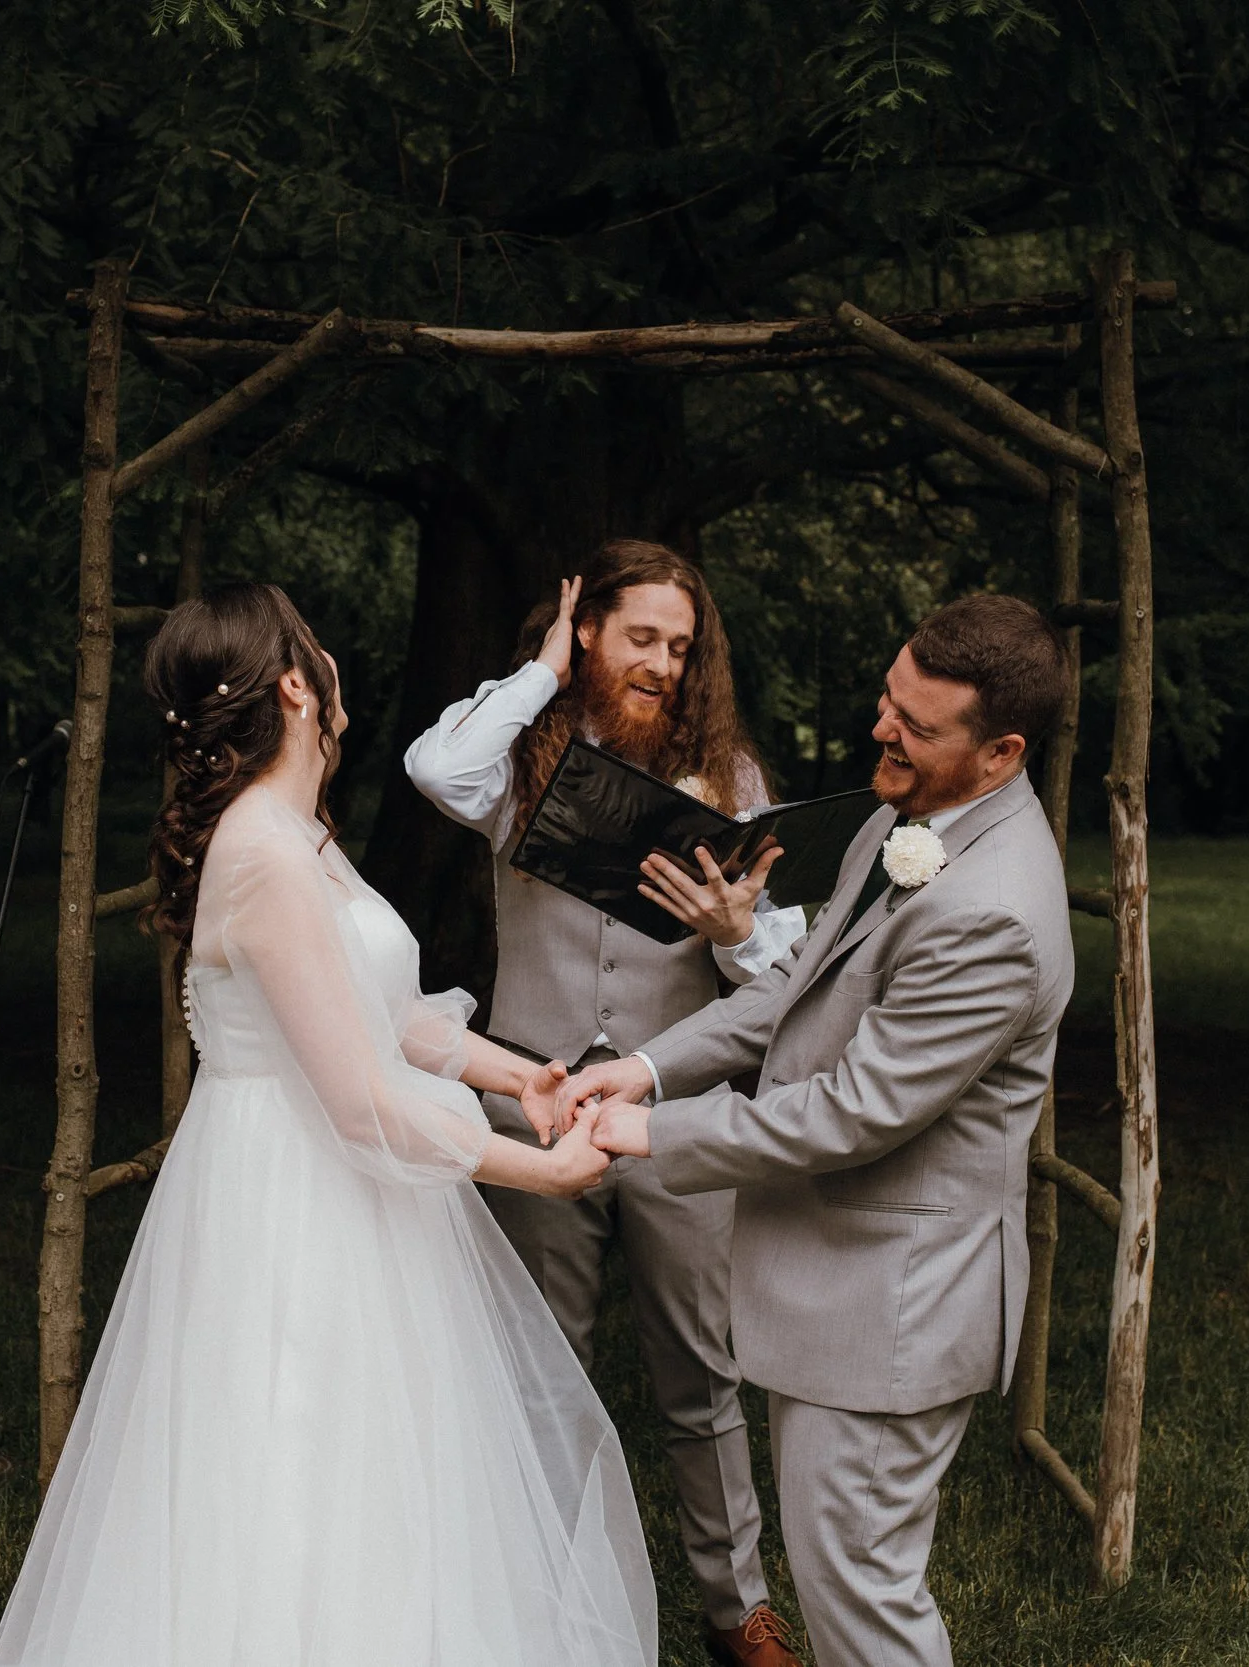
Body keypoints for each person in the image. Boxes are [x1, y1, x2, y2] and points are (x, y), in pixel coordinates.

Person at [0, 582, 656, 1666]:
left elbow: (387, 1015)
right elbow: (362, 1098)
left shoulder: (298, 833)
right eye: (321, 656)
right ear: (298, 685)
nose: (335, 669)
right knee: (292, 1464)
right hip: (293, 1200)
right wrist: (547, 1170)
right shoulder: (261, 853)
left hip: (349, 1185)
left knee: (385, 1471)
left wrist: (525, 1078)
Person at [561, 594, 1077, 1667]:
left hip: (894, 1303)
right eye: (888, 699)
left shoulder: (995, 914)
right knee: (846, 1578)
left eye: (915, 723)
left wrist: (649, 1135)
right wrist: (646, 1068)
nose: (880, 730)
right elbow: (799, 979)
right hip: (846, 1283)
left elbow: (857, 1108)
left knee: (864, 1602)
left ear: (1001, 752)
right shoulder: (909, 818)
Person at [403, 540, 803, 1667]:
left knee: (700, 1372)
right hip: (533, 1101)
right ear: (588, 633)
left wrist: (732, 935)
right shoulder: (520, 765)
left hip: (677, 1112)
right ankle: (542, 1597)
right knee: (542, 1359)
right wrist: (539, 671)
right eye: (640, 638)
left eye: (681, 646)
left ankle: (739, 1608)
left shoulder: (732, 777)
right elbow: (434, 766)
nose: (664, 664)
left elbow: (777, 980)